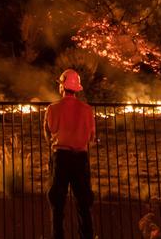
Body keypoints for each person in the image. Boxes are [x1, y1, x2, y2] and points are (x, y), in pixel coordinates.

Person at [44, 68, 95, 239]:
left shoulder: (52, 109)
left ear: (62, 87)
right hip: (80, 158)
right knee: (83, 203)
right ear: (77, 89)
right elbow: (91, 136)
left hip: (61, 157)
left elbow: (49, 131)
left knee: (57, 203)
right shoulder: (87, 110)